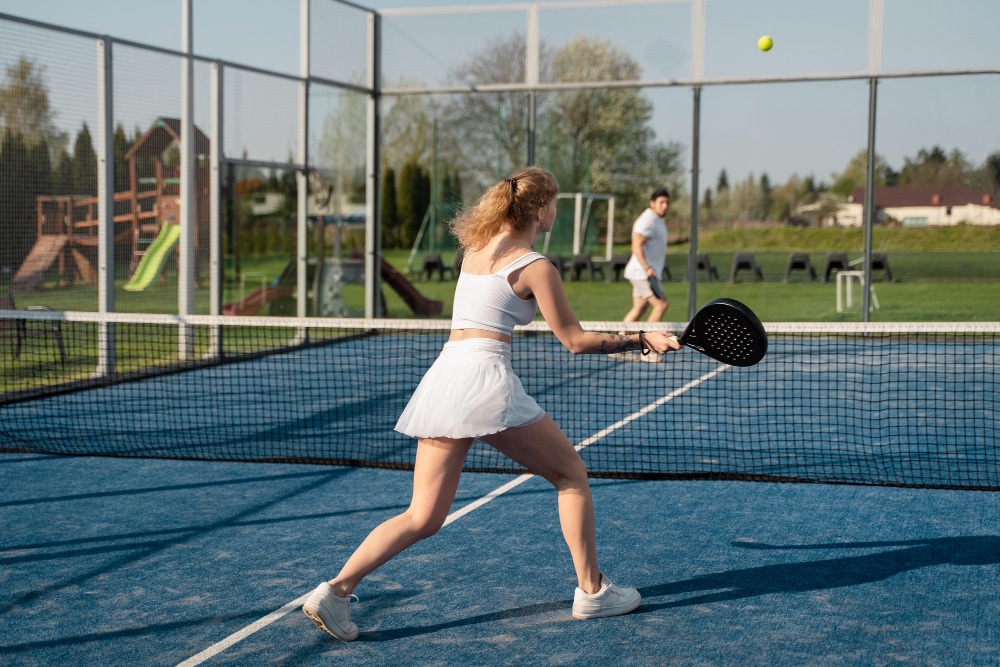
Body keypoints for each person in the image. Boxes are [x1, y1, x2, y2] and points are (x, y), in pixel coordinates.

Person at [302, 166, 681, 641]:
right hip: (484, 380)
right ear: (540, 210)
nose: (556, 213)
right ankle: (592, 592)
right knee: (570, 475)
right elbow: (575, 340)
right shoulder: (535, 265)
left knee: (422, 515)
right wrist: (641, 337)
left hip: (446, 375)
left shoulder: (473, 251)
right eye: (556, 205)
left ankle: (334, 592)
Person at [622, 188, 670, 325]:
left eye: (667, 202)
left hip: (644, 273)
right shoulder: (647, 220)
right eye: (661, 202)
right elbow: (636, 245)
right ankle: (649, 343)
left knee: (639, 308)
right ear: (652, 203)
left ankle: (621, 341)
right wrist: (647, 268)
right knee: (661, 305)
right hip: (643, 274)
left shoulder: (657, 220)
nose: (665, 206)